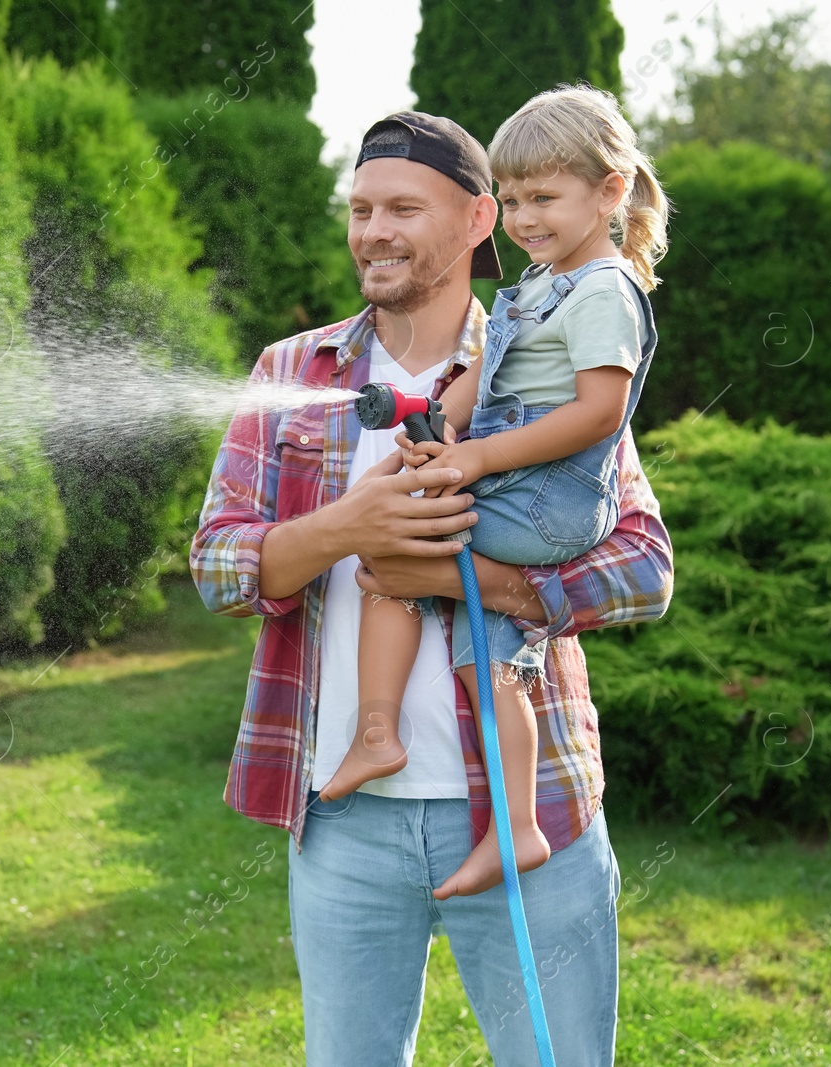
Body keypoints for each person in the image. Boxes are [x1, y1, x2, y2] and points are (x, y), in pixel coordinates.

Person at [189, 105, 673, 1067]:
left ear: (480, 219)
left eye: (403, 207)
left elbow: (643, 568)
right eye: (361, 207)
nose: (374, 230)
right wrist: (349, 529)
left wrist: (484, 583)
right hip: (344, 819)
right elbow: (216, 565)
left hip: (532, 805)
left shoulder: (546, 356)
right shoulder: (291, 372)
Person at [317, 85, 669, 904]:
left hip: (549, 503)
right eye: (512, 199)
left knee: (395, 543)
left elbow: (598, 412)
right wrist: (438, 429)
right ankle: (519, 827)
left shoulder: (604, 289)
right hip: (520, 485)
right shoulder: (546, 286)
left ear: (610, 192)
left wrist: (471, 464)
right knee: (493, 660)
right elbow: (484, 376)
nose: (523, 217)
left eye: (543, 197)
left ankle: (376, 732)